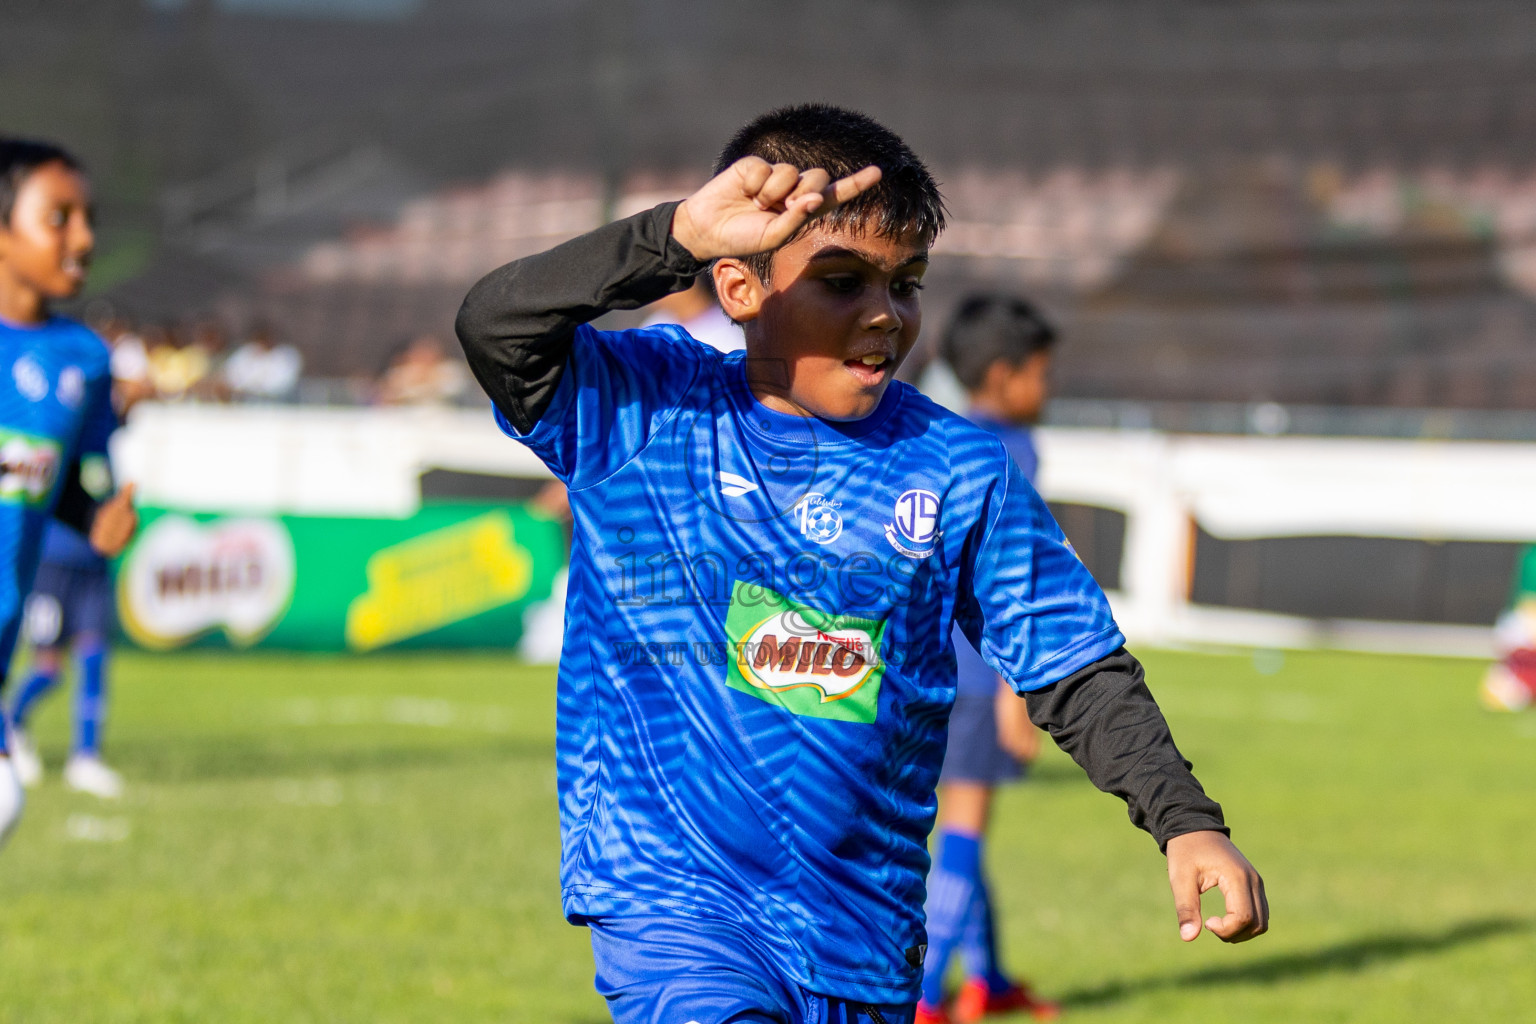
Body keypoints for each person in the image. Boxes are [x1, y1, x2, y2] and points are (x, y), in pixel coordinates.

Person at [455, 104, 1267, 1024]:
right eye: (842, 281)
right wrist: (676, 233)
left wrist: (1185, 820)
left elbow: (1073, 663)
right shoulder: (644, 407)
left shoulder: (960, 468)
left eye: (906, 282)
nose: (885, 313)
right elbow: (497, 326)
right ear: (739, 284)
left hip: (863, 935)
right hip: (675, 906)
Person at [917, 295, 1061, 1024]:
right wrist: (1016, 690)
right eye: (1040, 373)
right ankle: (925, 996)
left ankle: (992, 980)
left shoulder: (935, 435)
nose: (1047, 388)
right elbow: (1009, 580)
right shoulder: (1013, 447)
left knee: (959, 827)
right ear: (1004, 376)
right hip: (978, 676)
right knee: (965, 832)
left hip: (927, 664)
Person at [0, 138, 138, 847]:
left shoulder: (82, 358)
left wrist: (93, 518)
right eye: (59, 216)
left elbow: (48, 484)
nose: (83, 237)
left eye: (87, 217)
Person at [7, 516, 122, 798]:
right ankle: (12, 725)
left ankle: (86, 758)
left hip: (94, 566)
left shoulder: (102, 467)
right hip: (52, 564)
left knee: (95, 658)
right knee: (49, 670)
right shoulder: (57, 469)